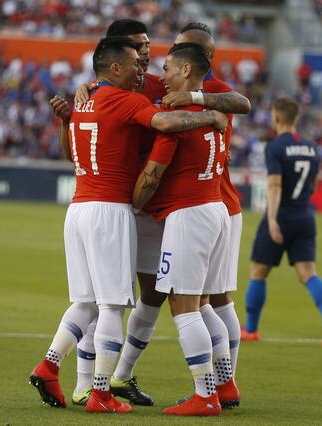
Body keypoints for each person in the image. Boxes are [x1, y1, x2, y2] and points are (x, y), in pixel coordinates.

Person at [29, 36, 228, 414]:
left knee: (85, 301)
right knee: (111, 305)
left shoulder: (82, 102)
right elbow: (166, 121)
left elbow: (70, 152)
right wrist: (211, 116)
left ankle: (50, 365)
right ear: (115, 67)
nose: (144, 70)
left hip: (79, 207)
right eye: (137, 64)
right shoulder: (123, 99)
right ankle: (101, 392)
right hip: (110, 209)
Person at [132, 42, 230, 416]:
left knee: (184, 307)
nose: (163, 76)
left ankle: (205, 395)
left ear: (187, 71)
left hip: (189, 215)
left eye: (169, 68)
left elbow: (150, 179)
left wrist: (133, 205)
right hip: (213, 207)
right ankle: (221, 382)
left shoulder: (178, 117)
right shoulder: (212, 111)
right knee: (200, 305)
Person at [164, 22, 245, 393]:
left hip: (211, 203)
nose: (175, 52)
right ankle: (224, 385)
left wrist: (198, 101)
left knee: (204, 301)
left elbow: (243, 104)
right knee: (209, 300)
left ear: (200, 59)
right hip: (213, 202)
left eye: (183, 48)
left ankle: (212, 388)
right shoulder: (168, 83)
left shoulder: (213, 91)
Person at [241, 98, 322, 346]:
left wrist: (271, 219)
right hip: (304, 216)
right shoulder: (311, 147)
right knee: (308, 274)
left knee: (258, 272)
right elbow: (311, 186)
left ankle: (251, 329)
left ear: (276, 119)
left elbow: (275, 183)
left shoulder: (275, 147)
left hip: (281, 216)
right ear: (296, 119)